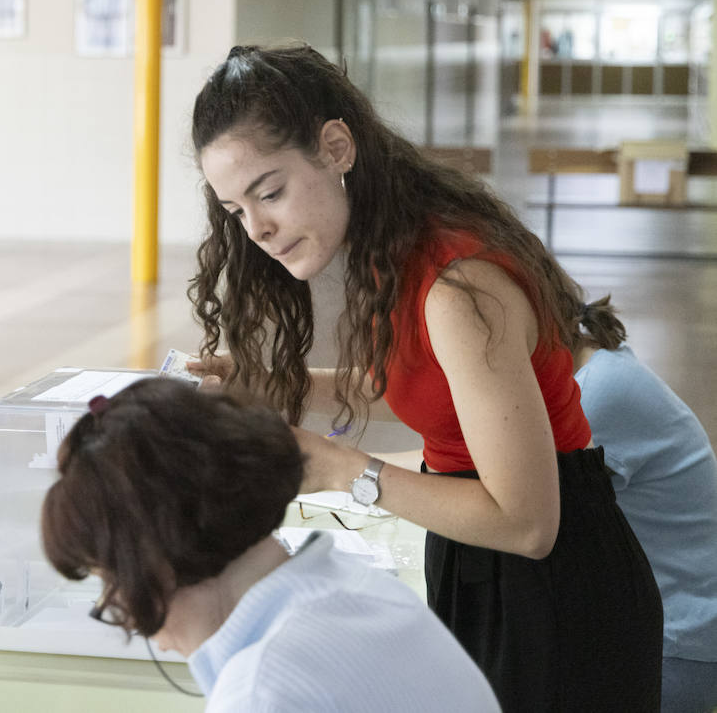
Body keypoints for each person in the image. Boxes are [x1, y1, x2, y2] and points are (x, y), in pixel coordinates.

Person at [185, 44, 662, 711]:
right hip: (486, 566)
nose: (258, 228)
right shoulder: (398, 247)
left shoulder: (456, 285)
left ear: (336, 147)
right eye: (236, 210)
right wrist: (263, 382)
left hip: (552, 597)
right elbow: (418, 381)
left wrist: (343, 469)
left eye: (270, 191)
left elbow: (528, 524)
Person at [40, 377, 501, 712]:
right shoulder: (361, 590)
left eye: (111, 581)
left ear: (157, 557)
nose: (121, 610)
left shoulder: (264, 691)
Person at [573, 297, 717, 713]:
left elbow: (507, 502)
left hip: (676, 650)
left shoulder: (593, 395)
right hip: (684, 632)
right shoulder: (604, 364)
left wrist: (372, 474)